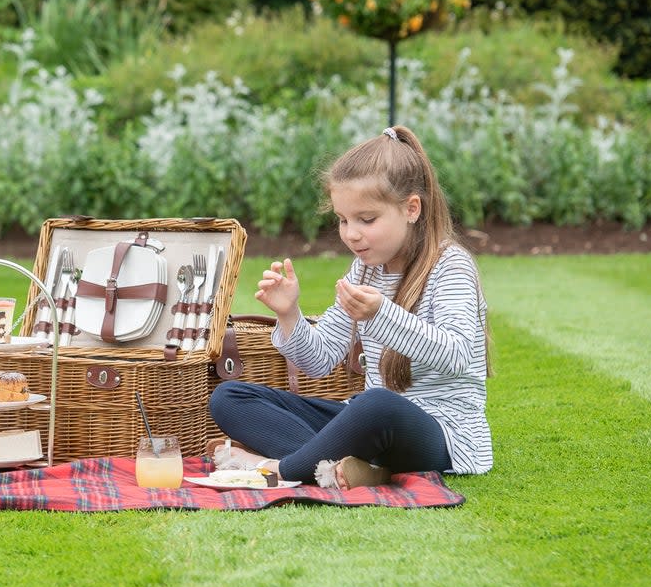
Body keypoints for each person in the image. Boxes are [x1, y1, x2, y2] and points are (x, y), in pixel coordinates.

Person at [208, 125, 492, 489]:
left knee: (376, 405)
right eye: (343, 220)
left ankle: (279, 469)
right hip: (368, 424)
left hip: (444, 433)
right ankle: (350, 466)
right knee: (230, 397)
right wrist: (289, 314)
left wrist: (381, 315)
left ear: (411, 208)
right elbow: (320, 359)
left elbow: (457, 354)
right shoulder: (365, 270)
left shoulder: (451, 266)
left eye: (366, 220)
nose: (351, 234)